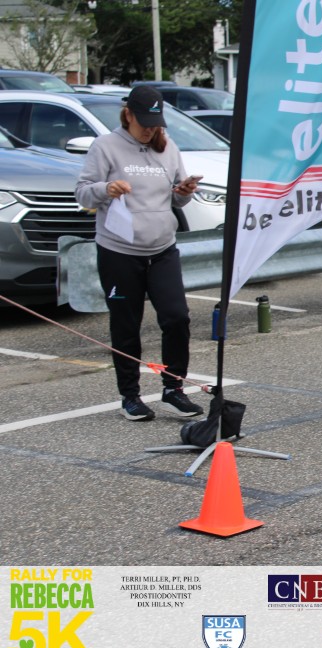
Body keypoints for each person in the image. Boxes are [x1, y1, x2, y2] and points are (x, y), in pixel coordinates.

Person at [75, 86, 204, 422]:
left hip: (162, 249)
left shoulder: (168, 147)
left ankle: (173, 389)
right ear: (128, 114)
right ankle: (130, 396)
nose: (150, 129)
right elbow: (83, 194)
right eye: (144, 122)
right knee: (126, 325)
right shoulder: (105, 146)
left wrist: (185, 191)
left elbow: (175, 199)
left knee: (177, 317)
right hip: (119, 251)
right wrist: (106, 188)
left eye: (155, 123)